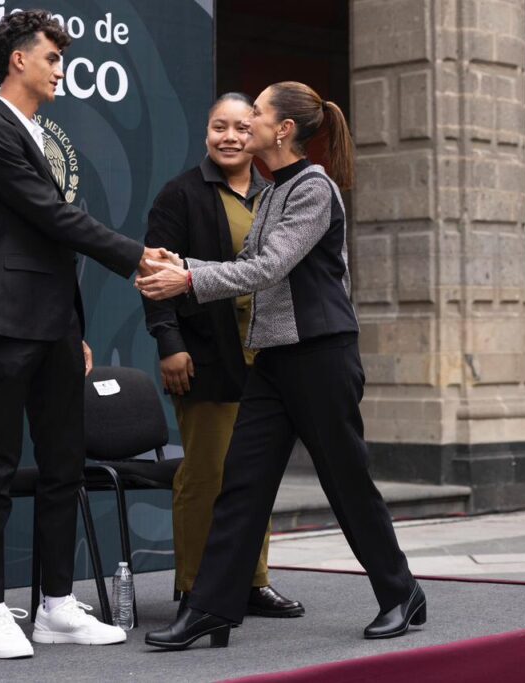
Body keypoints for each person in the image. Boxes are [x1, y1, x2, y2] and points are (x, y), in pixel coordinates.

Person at [138, 81, 426, 650]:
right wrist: (181, 263)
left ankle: (401, 593)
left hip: (321, 356)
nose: (247, 123)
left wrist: (186, 278)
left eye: (257, 114)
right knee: (241, 484)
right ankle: (211, 607)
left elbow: (269, 267)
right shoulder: (272, 192)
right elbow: (245, 263)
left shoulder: (313, 188)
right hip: (273, 360)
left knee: (346, 482)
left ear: (283, 129)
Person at [0, 9, 168, 659]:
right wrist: (137, 256)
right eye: (52, 58)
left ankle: (54, 605)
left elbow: (48, 239)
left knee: (63, 467)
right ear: (18, 59)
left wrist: (70, 327)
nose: (60, 70)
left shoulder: (32, 132)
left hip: (51, 326)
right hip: (2, 322)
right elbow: (51, 216)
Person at [143, 92, 303, 619]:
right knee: (206, 476)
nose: (230, 137)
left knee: (256, 474)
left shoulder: (275, 194)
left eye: (241, 127)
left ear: (257, 133)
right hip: (205, 356)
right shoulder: (181, 194)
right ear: (206, 132)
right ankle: (196, 588)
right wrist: (169, 343)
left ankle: (253, 582)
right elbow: (155, 276)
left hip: (269, 358)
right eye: (219, 127)